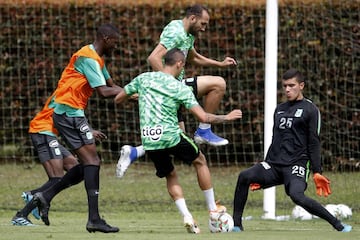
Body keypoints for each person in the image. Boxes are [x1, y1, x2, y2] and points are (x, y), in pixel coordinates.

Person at [114, 48, 242, 233]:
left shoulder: (144, 79)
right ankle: (213, 210)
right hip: (171, 136)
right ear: (179, 64)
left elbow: (119, 99)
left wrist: (145, 97)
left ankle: (187, 216)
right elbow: (204, 117)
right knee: (200, 161)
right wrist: (226, 117)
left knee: (170, 175)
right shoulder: (179, 87)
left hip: (149, 139)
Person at [116, 4, 238, 178]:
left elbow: (193, 57)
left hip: (174, 86)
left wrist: (219, 63)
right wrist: (170, 86)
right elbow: (153, 58)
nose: (204, 29)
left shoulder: (187, 34)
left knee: (176, 137)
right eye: (203, 24)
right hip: (171, 87)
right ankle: (204, 130)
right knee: (218, 84)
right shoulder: (176, 32)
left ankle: (135, 152)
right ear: (193, 18)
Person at [232, 68, 352, 233]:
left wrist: (317, 171)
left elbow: (314, 141)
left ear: (301, 85)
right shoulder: (279, 109)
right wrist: (264, 167)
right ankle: (236, 225)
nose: (287, 90)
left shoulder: (311, 109)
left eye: (291, 85)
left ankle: (338, 225)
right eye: (285, 86)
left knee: (296, 195)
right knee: (245, 176)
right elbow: (276, 139)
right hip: (274, 164)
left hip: (297, 164)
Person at [29, 23, 123, 233]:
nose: (116, 47)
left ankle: (45, 196)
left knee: (89, 164)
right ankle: (94, 219)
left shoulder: (97, 59)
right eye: (115, 43)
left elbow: (111, 84)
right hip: (67, 113)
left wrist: (131, 93)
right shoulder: (88, 58)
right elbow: (104, 91)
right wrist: (136, 91)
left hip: (72, 113)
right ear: (107, 39)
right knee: (92, 161)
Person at [11, 91, 107, 226]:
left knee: (77, 169)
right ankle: (23, 212)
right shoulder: (67, 92)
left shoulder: (71, 92)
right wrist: (88, 131)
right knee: (56, 177)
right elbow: (65, 119)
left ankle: (33, 198)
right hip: (42, 131)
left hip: (50, 134)